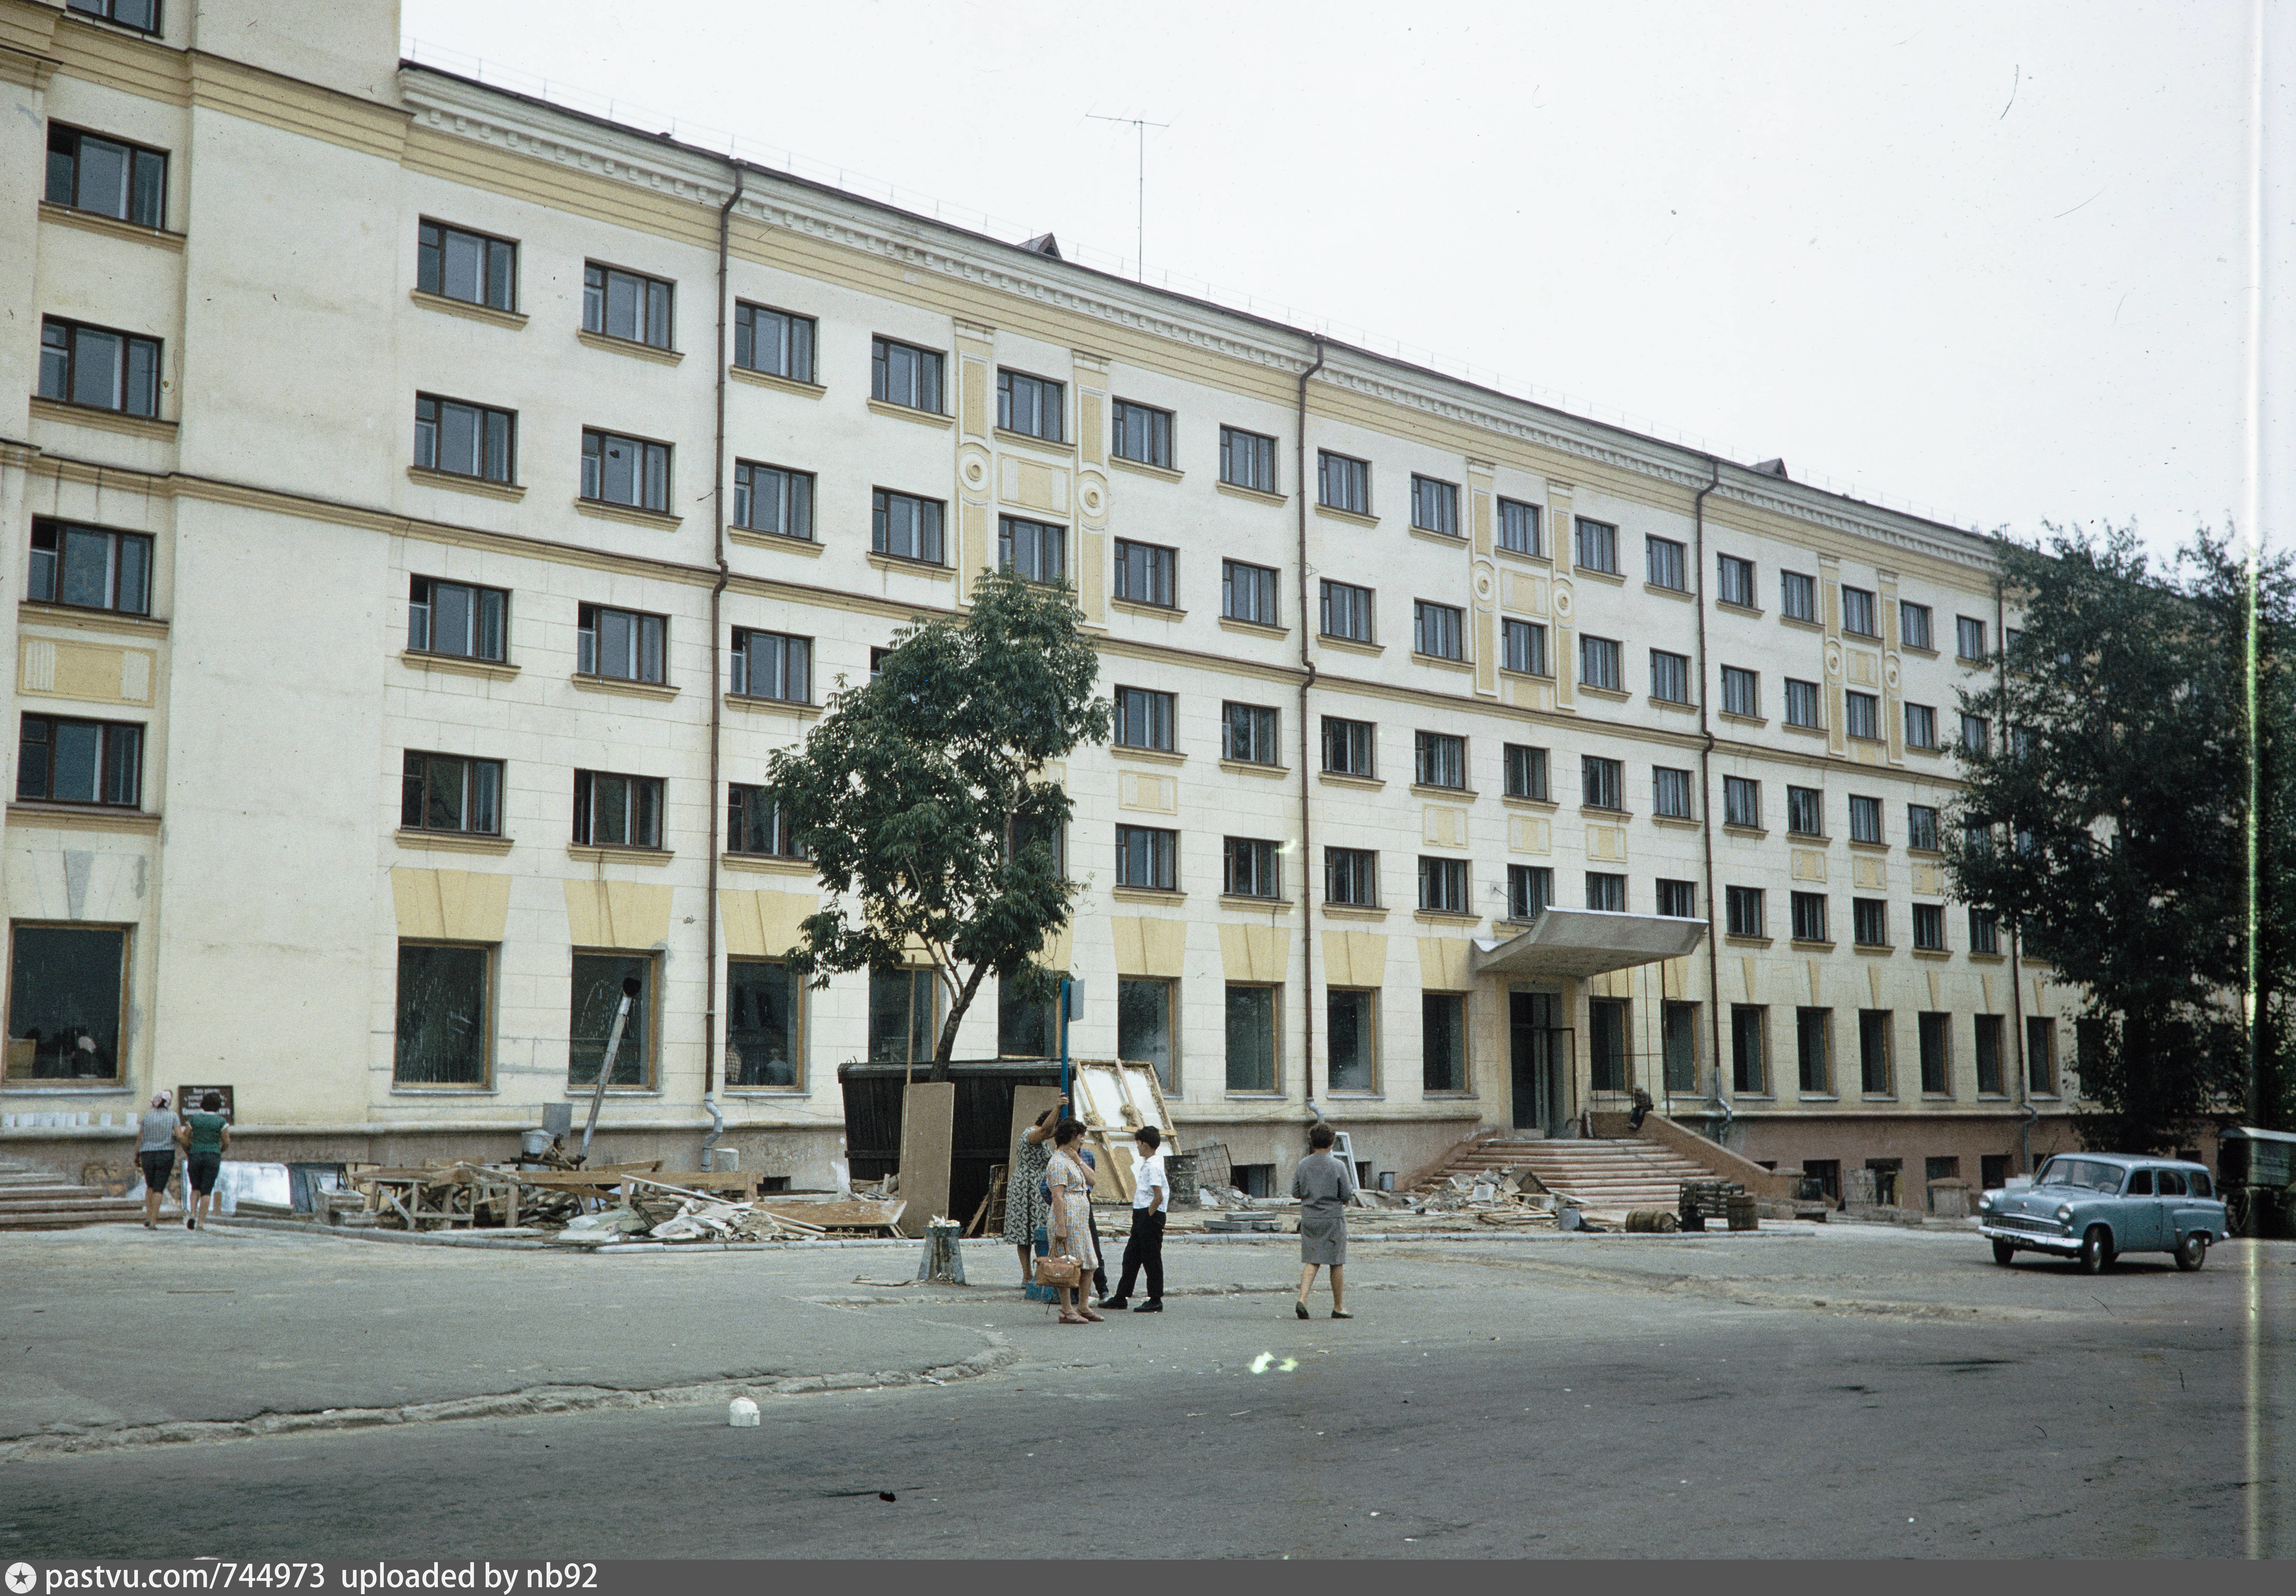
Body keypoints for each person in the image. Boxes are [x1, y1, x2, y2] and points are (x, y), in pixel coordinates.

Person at [1099, 1124, 1169, 1313]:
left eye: (1138, 1144)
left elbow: (1159, 1196)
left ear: (1145, 1144)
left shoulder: (1153, 1166)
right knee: (1131, 1257)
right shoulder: (1150, 1164)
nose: (1137, 1147)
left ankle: (1156, 1299)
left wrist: (1147, 1217)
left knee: (1151, 1258)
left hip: (1150, 1216)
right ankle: (1121, 1297)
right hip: (1142, 1215)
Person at [1292, 1122, 1357, 1319]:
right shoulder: (1338, 1165)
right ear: (1332, 1143)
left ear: (1312, 1142)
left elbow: (1296, 1193)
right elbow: (1347, 1193)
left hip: (1310, 1219)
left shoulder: (1303, 1164)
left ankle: (1302, 1299)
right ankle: (1339, 1307)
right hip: (1332, 1220)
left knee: (1312, 1260)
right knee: (1336, 1263)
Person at [1043, 1118, 1103, 1324]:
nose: (1083, 1141)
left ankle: (1083, 1306)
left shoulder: (1073, 1159)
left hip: (1080, 1220)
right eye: (1080, 1137)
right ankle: (1067, 1310)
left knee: (1089, 1262)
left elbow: (1093, 1180)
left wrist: (1078, 1160)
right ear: (1070, 1137)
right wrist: (1061, 1226)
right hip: (1067, 1219)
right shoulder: (1058, 1162)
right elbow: (1057, 1196)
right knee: (1067, 1264)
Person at [1005, 1097, 1065, 1288]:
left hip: (1036, 1188)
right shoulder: (1031, 1135)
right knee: (1024, 1233)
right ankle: (1027, 1275)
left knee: (1038, 1231)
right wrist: (1058, 1107)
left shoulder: (1043, 1143)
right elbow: (1046, 1131)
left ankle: (1040, 1272)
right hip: (1026, 1189)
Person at [176, 1091, 230, 1231]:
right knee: (207, 1191)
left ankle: (193, 1214)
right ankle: (201, 1223)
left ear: (203, 1104)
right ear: (218, 1106)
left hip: (195, 1155)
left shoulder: (194, 1120)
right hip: (213, 1155)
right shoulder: (221, 1122)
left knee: (196, 1188)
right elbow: (227, 1141)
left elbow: (186, 1138)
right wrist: (220, 1150)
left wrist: (190, 1151)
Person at [136, 1091, 180, 1231]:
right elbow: (179, 1135)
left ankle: (148, 1217)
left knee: (150, 1185)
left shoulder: (147, 1117)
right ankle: (154, 1220)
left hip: (147, 1154)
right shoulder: (173, 1116)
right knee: (159, 1188)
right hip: (166, 1153)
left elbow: (140, 1139)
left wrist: (136, 1155)